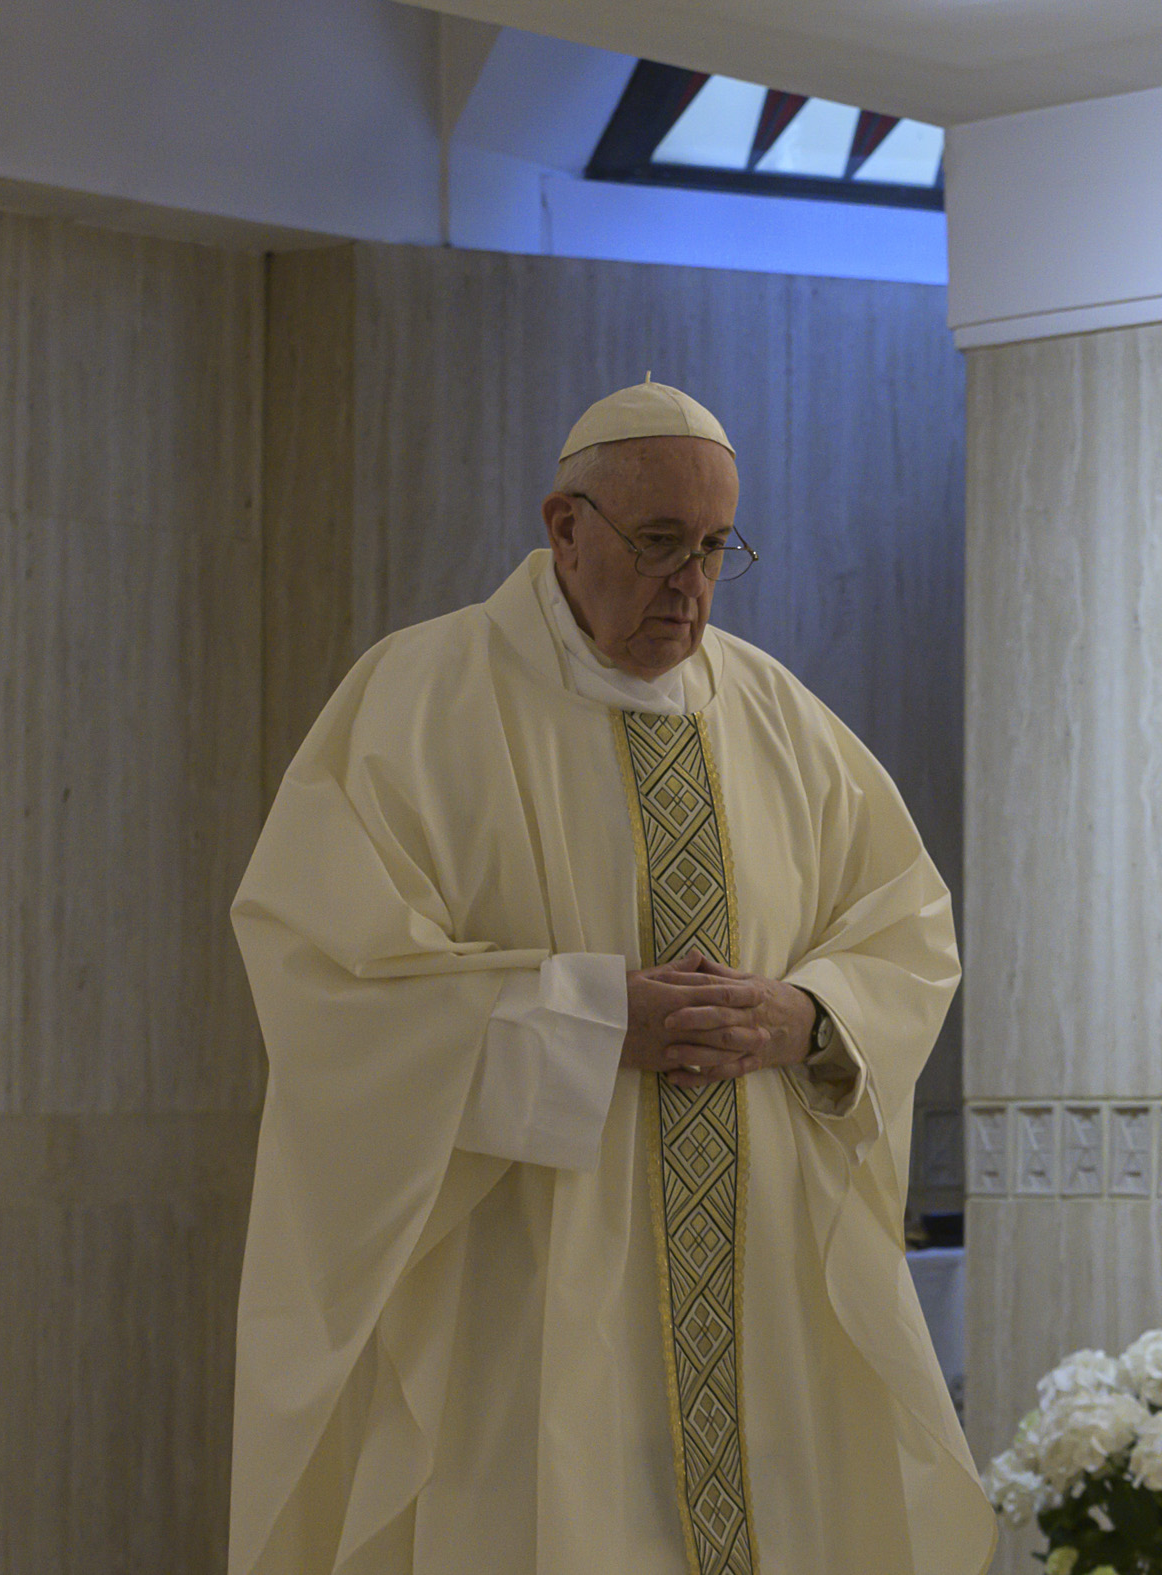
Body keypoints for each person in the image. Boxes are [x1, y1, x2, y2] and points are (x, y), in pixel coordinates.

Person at [227, 381, 993, 1574]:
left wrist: (806, 1015)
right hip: (524, 1282)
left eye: (715, 549)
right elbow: (328, 974)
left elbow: (905, 929)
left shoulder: (782, 719)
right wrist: (588, 1022)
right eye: (658, 544)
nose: (689, 585)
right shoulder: (420, 700)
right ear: (565, 527)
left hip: (758, 1295)